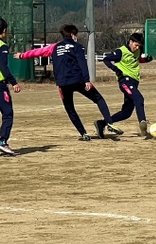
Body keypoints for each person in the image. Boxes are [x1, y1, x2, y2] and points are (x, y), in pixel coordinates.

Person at [15, 24, 123, 141]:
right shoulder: (77, 46)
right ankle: (109, 122)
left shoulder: (54, 47)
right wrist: (87, 80)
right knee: (98, 99)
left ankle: (83, 133)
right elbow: (82, 63)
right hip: (78, 80)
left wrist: (22, 55)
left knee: (70, 108)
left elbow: (38, 52)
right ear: (73, 35)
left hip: (62, 83)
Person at [103, 32, 154, 137]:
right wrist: (116, 70)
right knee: (139, 99)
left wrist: (146, 60)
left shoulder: (137, 51)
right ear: (130, 42)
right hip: (125, 81)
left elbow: (136, 60)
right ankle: (143, 124)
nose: (137, 48)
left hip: (134, 82)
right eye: (136, 45)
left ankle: (101, 123)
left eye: (139, 46)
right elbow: (106, 59)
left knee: (126, 113)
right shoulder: (121, 52)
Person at [0, 18, 21, 155]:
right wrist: (13, 82)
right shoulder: (2, 46)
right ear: (4, 31)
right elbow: (3, 66)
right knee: (7, 113)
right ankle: (2, 141)